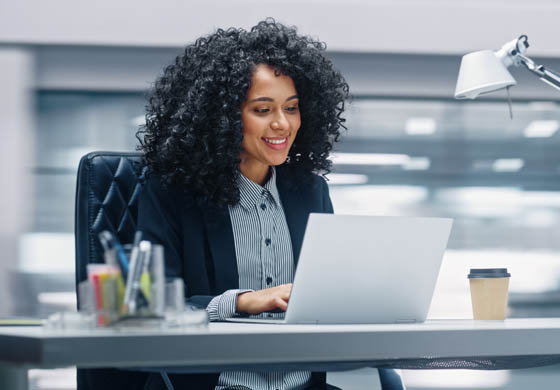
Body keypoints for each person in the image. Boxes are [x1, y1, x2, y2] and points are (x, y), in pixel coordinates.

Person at [134, 18, 403, 390]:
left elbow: (325, 299)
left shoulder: (310, 192)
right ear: (223, 118)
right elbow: (150, 308)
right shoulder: (171, 194)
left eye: (291, 108)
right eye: (263, 110)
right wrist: (242, 302)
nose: (282, 124)